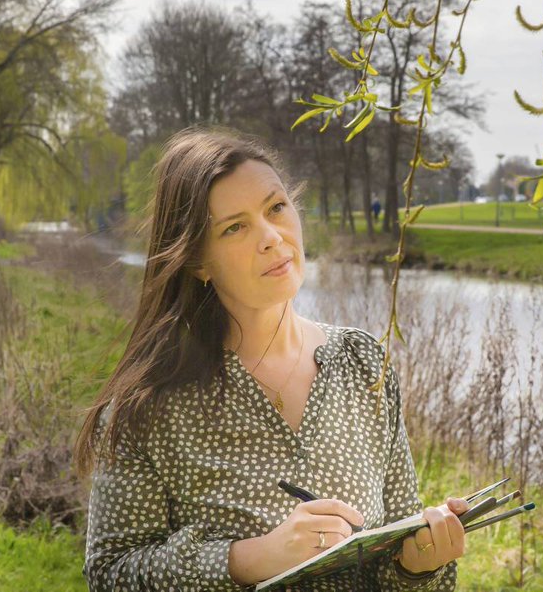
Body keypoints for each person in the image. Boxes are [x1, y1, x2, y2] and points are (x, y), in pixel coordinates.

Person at [74, 126, 468, 591]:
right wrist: (250, 559)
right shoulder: (149, 408)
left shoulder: (363, 364)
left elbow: (395, 556)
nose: (271, 237)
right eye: (235, 227)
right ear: (198, 261)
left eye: (276, 208)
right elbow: (110, 575)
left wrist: (418, 566)